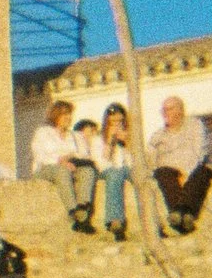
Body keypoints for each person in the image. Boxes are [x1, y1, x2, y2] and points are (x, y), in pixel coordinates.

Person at [29, 100, 97, 233]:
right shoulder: (43, 133)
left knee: (87, 171)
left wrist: (71, 156)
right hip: (47, 168)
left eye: (69, 114)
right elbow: (39, 156)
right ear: (55, 115)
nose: (68, 117)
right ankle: (73, 210)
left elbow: (84, 154)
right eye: (64, 114)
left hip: (70, 166)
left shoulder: (76, 136)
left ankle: (83, 208)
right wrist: (59, 160)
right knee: (62, 171)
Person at [149, 96, 212, 233]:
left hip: (192, 169)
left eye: (169, 109)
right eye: (163, 110)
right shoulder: (158, 135)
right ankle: (185, 216)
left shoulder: (194, 125)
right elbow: (151, 159)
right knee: (162, 173)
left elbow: (199, 152)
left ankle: (179, 212)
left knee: (204, 172)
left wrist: (185, 171)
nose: (165, 113)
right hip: (169, 171)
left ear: (180, 110)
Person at [97, 104, 136, 242]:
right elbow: (103, 161)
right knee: (114, 174)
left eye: (119, 122)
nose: (116, 125)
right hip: (109, 169)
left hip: (126, 167)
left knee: (141, 178)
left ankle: (152, 219)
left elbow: (136, 160)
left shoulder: (131, 136)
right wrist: (110, 141)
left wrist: (128, 142)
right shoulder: (99, 138)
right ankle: (115, 220)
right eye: (113, 122)